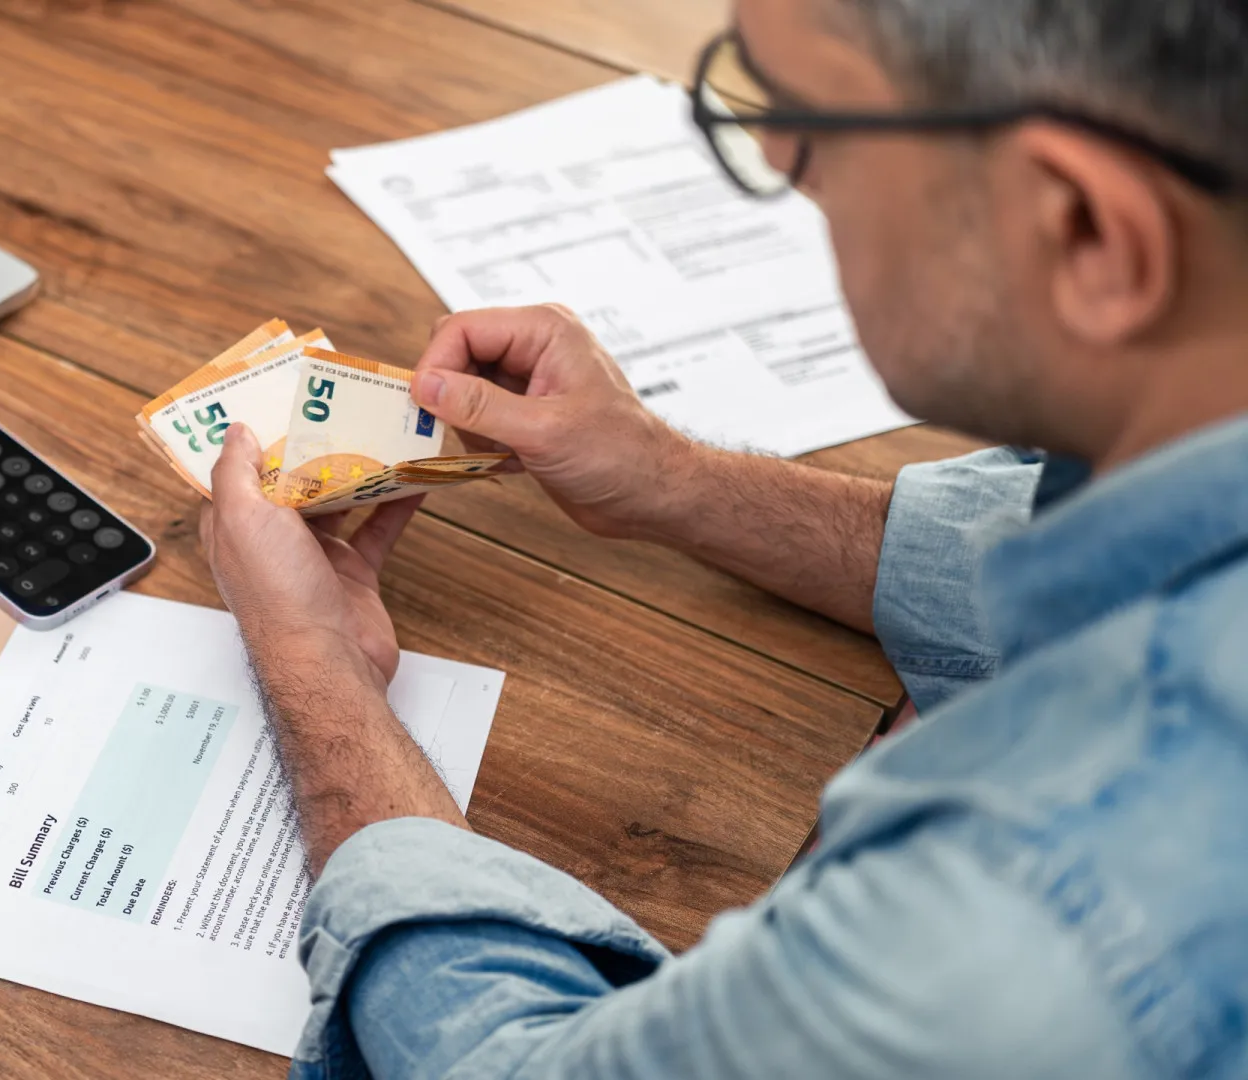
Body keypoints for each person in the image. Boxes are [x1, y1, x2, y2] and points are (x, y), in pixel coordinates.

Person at [198, 0, 1248, 1076]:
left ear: (1086, 231)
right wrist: (667, 479)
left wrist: (312, 664)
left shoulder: (1038, 904)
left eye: (813, 123)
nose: (786, 165)